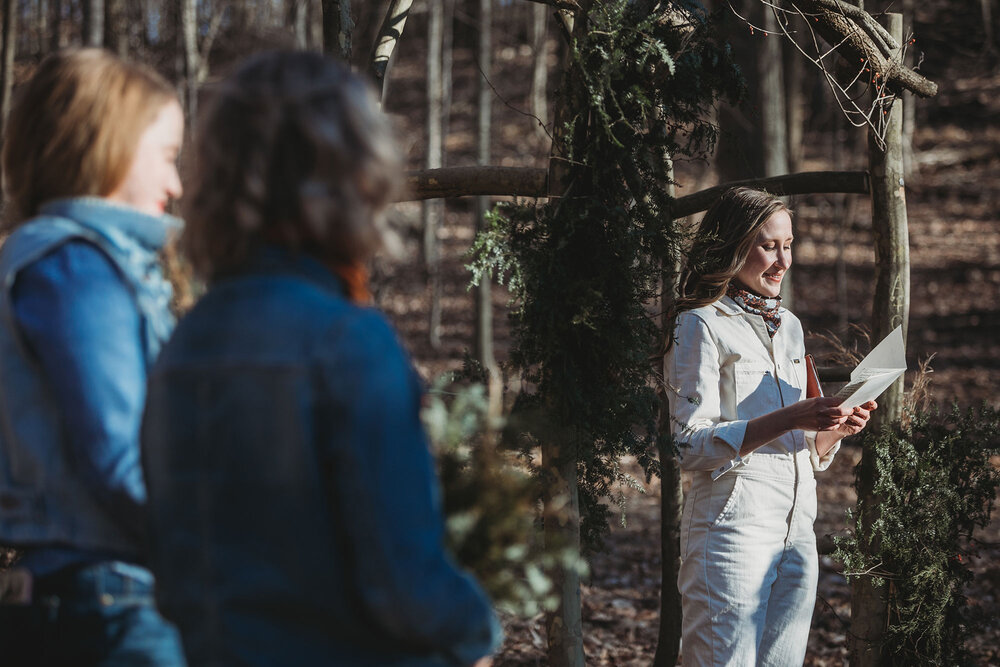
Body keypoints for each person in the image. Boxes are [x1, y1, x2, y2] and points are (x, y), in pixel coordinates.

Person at [140, 51, 501, 667]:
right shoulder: (346, 344)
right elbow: (405, 584)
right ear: (357, 175)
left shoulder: (183, 343)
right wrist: (477, 631)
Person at [0, 49, 187, 665]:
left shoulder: (57, 261)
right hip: (105, 602)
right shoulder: (76, 268)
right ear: (108, 146)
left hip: (85, 594)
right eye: (165, 157)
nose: (176, 184)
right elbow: (121, 455)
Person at [665, 187, 877, 666]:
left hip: (798, 528)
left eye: (788, 244)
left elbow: (799, 442)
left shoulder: (792, 326)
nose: (782, 260)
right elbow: (685, 444)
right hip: (730, 529)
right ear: (732, 247)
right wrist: (792, 416)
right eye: (767, 246)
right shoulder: (700, 325)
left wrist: (834, 429)